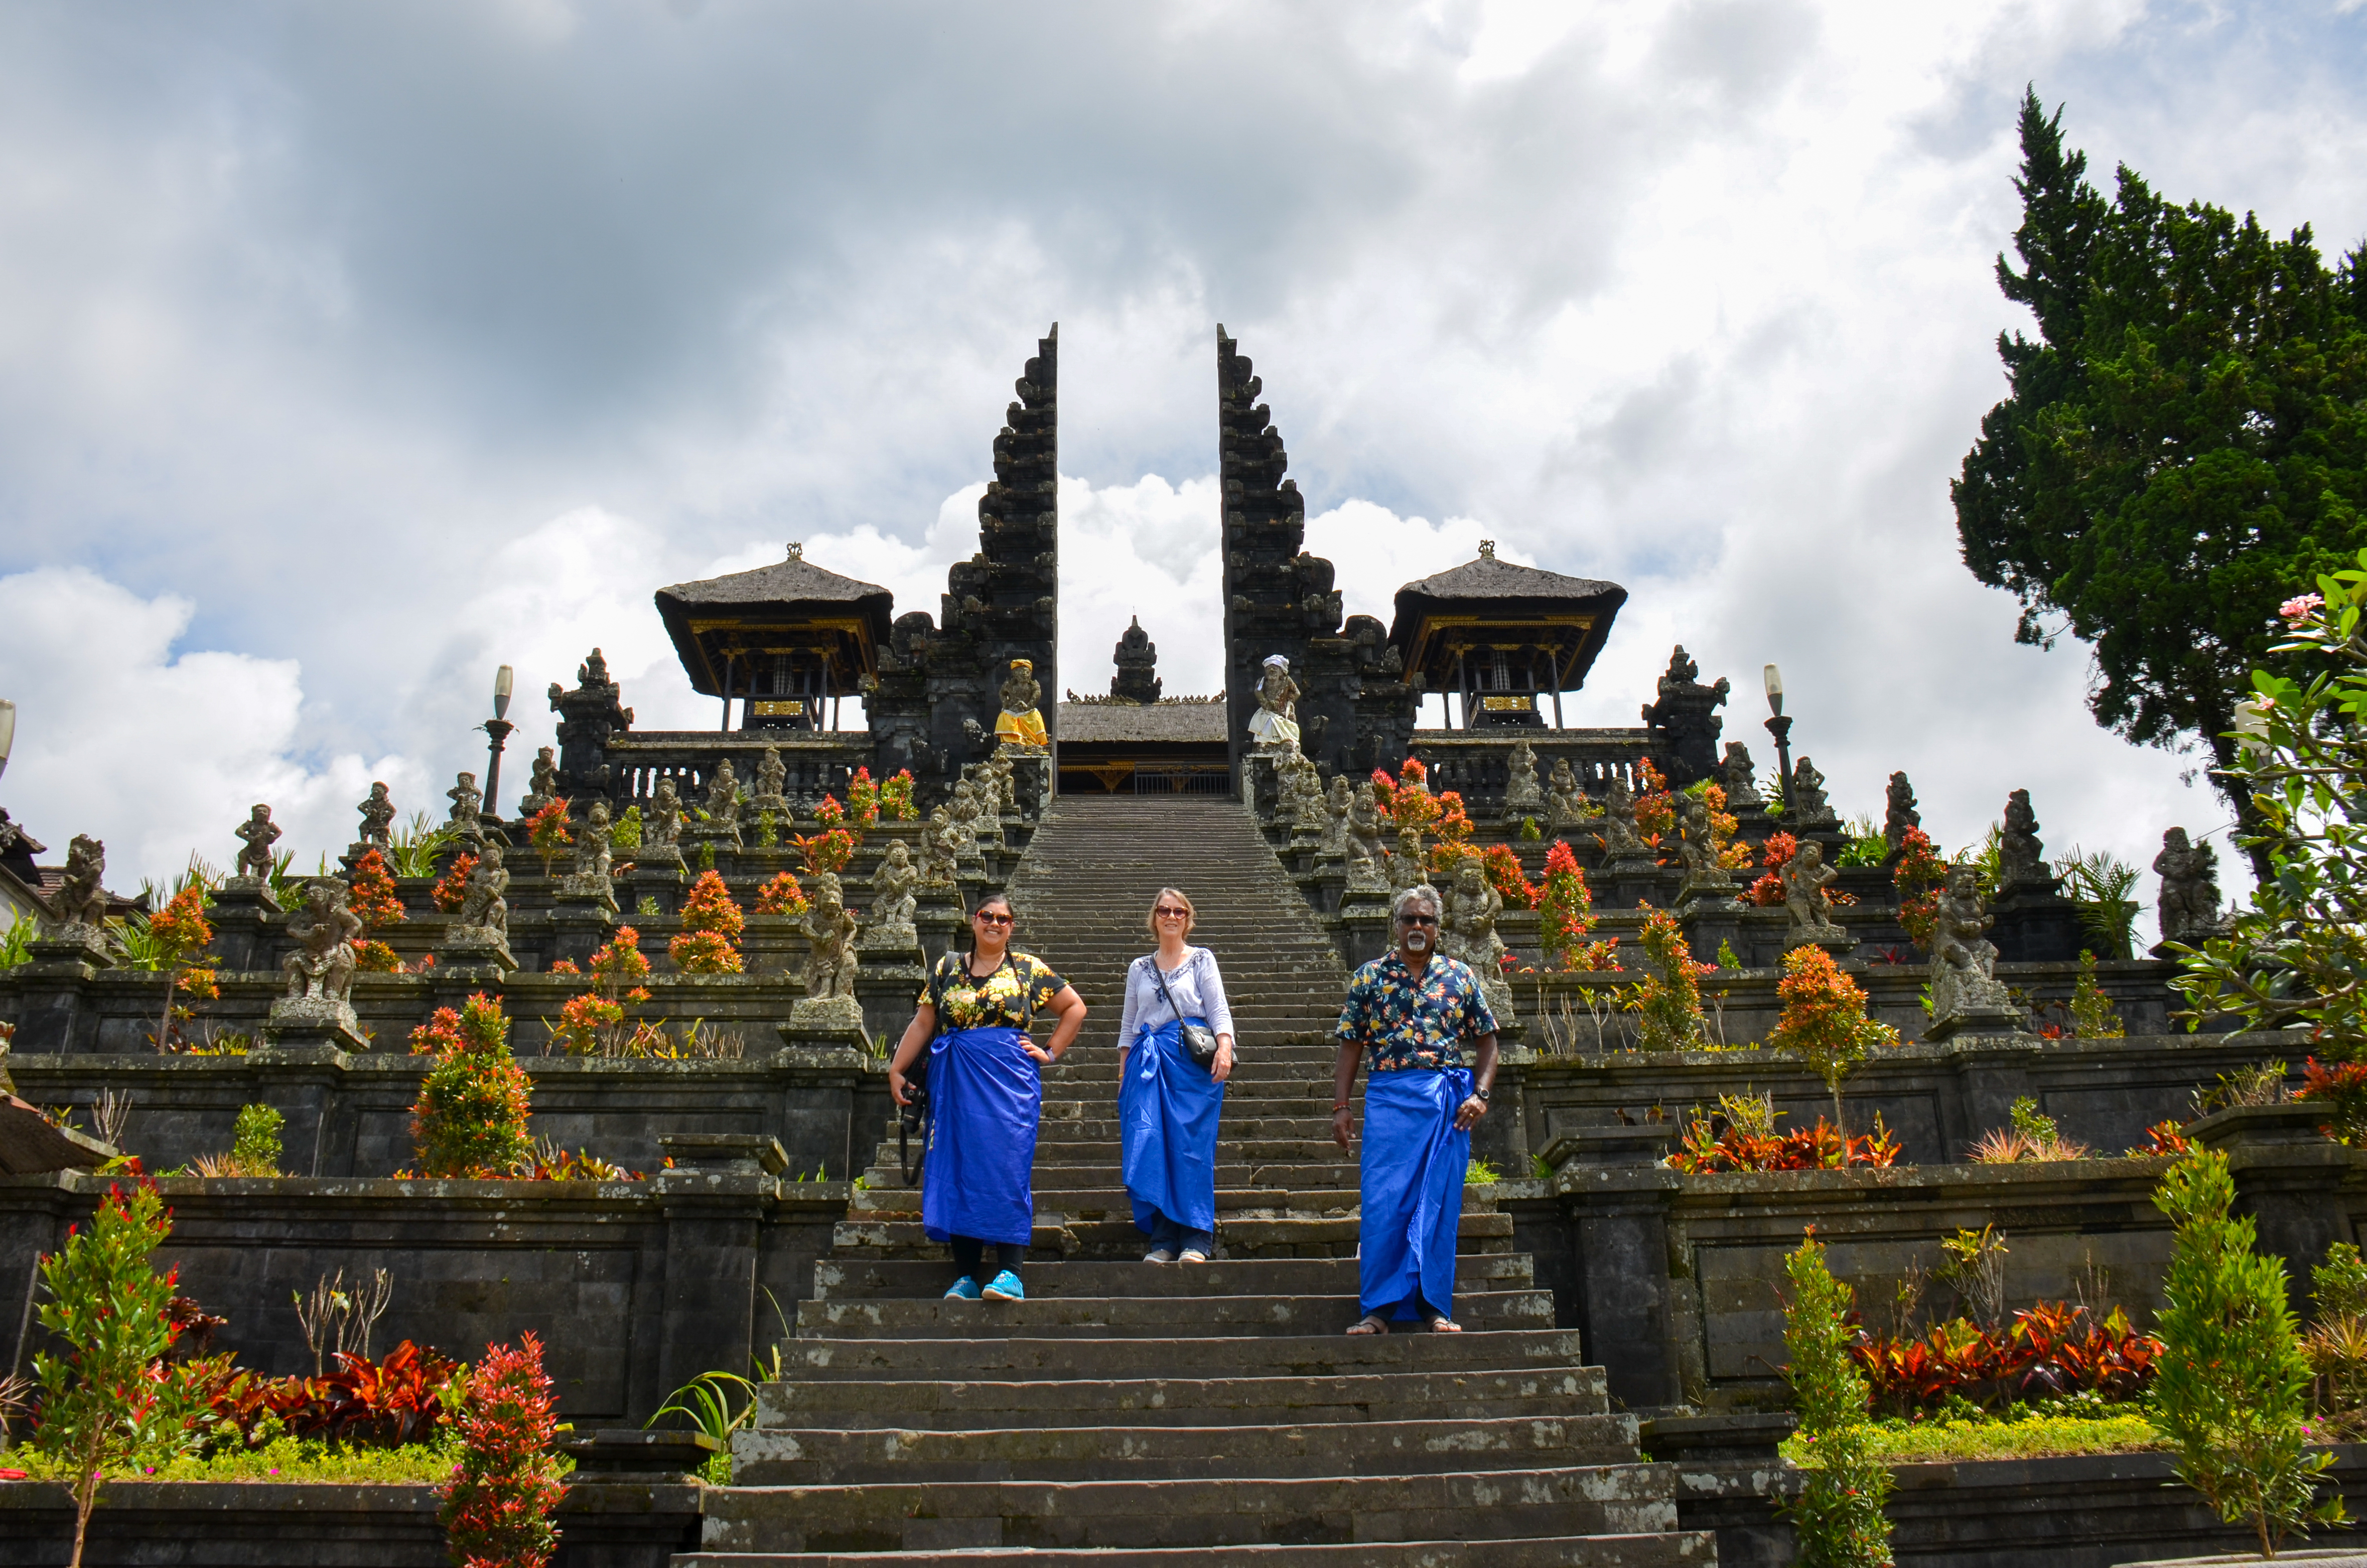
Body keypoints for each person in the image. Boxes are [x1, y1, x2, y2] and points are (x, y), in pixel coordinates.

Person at [888, 892, 1085, 1302]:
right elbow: (925, 1021)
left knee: (1006, 1165)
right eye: (987, 916)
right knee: (957, 1166)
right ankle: (966, 1275)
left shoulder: (1027, 969)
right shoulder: (946, 968)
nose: (995, 924)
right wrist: (896, 1067)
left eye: (1004, 919)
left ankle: (1010, 1271)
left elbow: (1075, 1008)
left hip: (1009, 1083)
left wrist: (1049, 1051)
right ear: (973, 920)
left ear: (1012, 927)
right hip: (956, 1079)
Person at [1331, 882, 1499, 1334]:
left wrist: (1480, 1094)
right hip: (1389, 1098)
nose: (1418, 926)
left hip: (1446, 1105)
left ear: (1438, 927)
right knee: (1383, 1204)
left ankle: (1434, 1307)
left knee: (1439, 1206)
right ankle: (1377, 1310)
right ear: (1396, 925)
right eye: (1410, 919)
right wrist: (1341, 1106)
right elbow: (1351, 1045)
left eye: (1426, 919)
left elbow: (1487, 1041)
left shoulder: (1459, 977)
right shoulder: (1369, 977)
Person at [1117, 888, 1236, 1264]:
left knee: (1190, 1147)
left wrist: (1225, 1048)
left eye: (1179, 910)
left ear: (1188, 917)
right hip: (1147, 1064)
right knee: (1151, 1143)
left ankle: (1197, 1238)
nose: (1171, 916)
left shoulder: (1201, 959)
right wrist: (1123, 1074)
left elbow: (1217, 1008)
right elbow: (1127, 1026)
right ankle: (1163, 1238)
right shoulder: (1139, 967)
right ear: (1154, 917)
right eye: (1164, 910)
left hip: (1190, 1064)